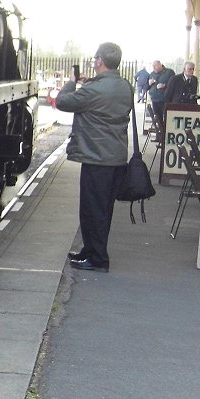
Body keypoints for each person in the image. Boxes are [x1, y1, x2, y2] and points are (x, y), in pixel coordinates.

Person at [54, 42, 133, 272]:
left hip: (97, 158)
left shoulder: (95, 90)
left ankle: (98, 259)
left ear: (99, 61)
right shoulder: (124, 86)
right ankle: (90, 251)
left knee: (93, 209)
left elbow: (62, 102)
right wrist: (89, 83)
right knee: (101, 209)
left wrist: (71, 81)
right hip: (114, 157)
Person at [146, 60, 174, 132]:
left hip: (164, 99)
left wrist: (164, 85)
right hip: (154, 99)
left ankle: (165, 134)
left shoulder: (169, 72)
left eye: (155, 66)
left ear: (160, 65)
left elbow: (173, 84)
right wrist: (149, 83)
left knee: (166, 117)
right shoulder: (152, 74)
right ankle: (159, 135)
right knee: (157, 117)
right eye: (153, 66)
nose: (154, 68)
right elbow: (146, 87)